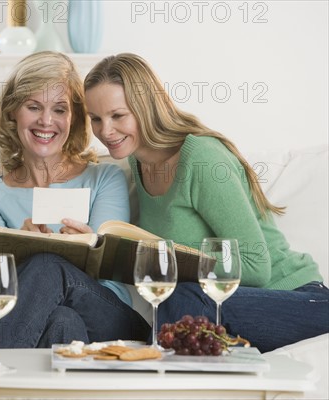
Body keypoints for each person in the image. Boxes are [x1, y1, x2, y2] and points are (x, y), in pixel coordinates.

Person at [83, 53, 329, 352]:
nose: (105, 131)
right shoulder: (136, 163)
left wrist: (164, 257)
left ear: (145, 107)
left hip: (297, 298)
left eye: (117, 116)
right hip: (216, 304)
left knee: (183, 298)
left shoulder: (201, 157)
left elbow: (256, 267)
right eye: (95, 118)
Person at [0, 51, 150, 348]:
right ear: (13, 111)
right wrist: (19, 255)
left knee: (46, 265)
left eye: (60, 109)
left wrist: (89, 244)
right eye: (33, 107)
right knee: (63, 321)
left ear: (75, 117)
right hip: (33, 318)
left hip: (109, 316)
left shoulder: (105, 178)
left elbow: (112, 265)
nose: (46, 121)